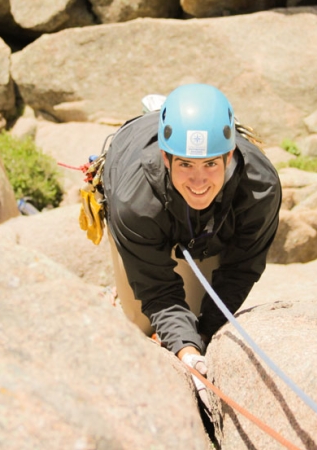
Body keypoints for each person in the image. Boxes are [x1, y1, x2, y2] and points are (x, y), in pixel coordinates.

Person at [101, 83, 282, 385]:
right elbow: (157, 290)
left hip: (213, 225)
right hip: (146, 199)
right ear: (165, 157)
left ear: (229, 155)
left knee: (199, 320)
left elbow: (241, 269)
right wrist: (186, 350)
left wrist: (204, 334)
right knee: (141, 324)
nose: (199, 180)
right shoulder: (133, 202)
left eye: (210, 163)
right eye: (185, 163)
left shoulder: (259, 188)